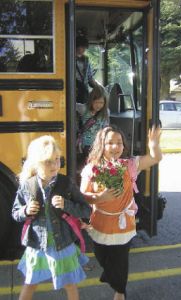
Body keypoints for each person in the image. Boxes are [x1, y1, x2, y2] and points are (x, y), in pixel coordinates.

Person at [80, 125, 162, 300]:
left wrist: (154, 145)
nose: (116, 147)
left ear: (124, 146)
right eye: (110, 142)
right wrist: (98, 197)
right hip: (99, 223)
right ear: (101, 145)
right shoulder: (91, 169)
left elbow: (155, 158)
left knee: (120, 260)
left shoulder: (130, 165)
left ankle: (120, 291)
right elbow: (83, 197)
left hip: (123, 224)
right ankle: (111, 275)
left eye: (119, 143)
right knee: (102, 257)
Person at [12, 135, 91, 300]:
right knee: (30, 283)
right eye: (48, 161)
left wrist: (66, 205)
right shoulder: (27, 185)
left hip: (63, 244)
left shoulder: (66, 184)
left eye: (57, 159)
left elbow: (86, 210)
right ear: (36, 162)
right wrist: (26, 210)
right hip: (37, 246)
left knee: (70, 284)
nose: (55, 165)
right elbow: (15, 212)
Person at [77, 84, 109, 160]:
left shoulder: (106, 112)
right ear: (91, 101)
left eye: (101, 103)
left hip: (99, 143)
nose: (98, 105)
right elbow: (70, 104)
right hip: (86, 144)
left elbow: (106, 128)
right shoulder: (84, 109)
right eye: (96, 102)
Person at [76, 35, 96, 103]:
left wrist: (98, 87)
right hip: (74, 90)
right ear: (77, 46)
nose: (84, 49)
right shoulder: (69, 58)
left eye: (85, 47)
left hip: (84, 91)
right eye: (82, 47)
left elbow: (90, 77)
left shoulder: (86, 60)